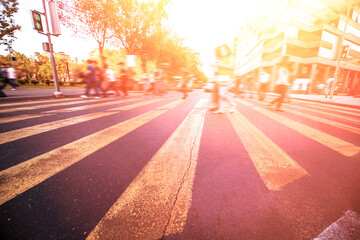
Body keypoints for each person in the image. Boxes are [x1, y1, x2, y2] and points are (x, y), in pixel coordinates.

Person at [211, 44, 236, 113]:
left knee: (222, 94)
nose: (223, 51)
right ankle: (221, 109)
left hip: (229, 77)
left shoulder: (231, 56)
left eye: (224, 49)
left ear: (227, 49)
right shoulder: (220, 59)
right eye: (221, 50)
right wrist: (214, 66)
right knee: (220, 94)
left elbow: (232, 67)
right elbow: (218, 68)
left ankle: (232, 104)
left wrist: (222, 65)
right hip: (221, 77)